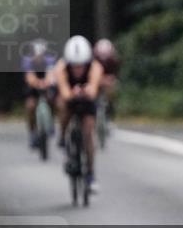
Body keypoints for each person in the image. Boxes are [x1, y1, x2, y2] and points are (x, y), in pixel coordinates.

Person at [55, 35, 104, 193]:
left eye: (81, 66)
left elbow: (94, 89)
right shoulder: (61, 68)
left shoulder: (95, 67)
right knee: (63, 106)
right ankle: (62, 135)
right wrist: (73, 93)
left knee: (88, 132)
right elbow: (64, 92)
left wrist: (86, 91)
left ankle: (90, 172)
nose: (77, 70)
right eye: (74, 66)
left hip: (87, 99)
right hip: (70, 98)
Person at [22, 39, 56, 148]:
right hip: (33, 88)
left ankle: (51, 122)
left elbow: (51, 74)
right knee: (30, 106)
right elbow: (29, 77)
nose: (38, 57)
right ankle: (32, 132)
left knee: (52, 100)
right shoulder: (27, 61)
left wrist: (46, 83)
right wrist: (37, 83)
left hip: (46, 85)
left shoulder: (50, 60)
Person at [93, 38, 120, 118]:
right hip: (97, 80)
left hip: (108, 81)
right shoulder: (93, 61)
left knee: (112, 89)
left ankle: (110, 108)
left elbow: (115, 75)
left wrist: (109, 79)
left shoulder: (114, 61)